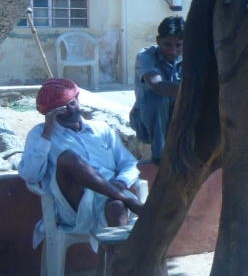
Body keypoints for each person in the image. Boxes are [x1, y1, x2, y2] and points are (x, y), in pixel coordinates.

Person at [19, 79, 143, 246]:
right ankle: (130, 201)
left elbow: (129, 163)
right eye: (63, 108)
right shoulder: (40, 134)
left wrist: (122, 180)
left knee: (116, 207)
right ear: (51, 114)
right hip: (73, 206)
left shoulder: (101, 129)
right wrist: (48, 133)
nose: (71, 110)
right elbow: (30, 175)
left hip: (109, 195)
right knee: (68, 157)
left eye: (72, 103)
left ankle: (114, 265)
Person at [130, 16, 184, 163]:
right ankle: (160, 157)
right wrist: (198, 89)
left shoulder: (188, 57)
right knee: (157, 97)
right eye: (168, 45)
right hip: (147, 123)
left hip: (176, 117)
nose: (173, 51)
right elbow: (158, 86)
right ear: (158, 40)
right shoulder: (146, 56)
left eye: (179, 45)